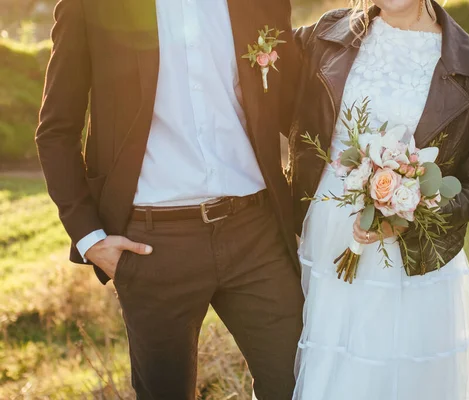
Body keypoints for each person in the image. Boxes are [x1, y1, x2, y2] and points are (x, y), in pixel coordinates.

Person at [35, 0, 303, 398]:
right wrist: (90, 239)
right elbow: (56, 130)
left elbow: (294, 107)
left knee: (300, 383)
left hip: (256, 233)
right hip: (153, 246)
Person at [288, 0, 469, 398]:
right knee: (332, 372)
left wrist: (413, 210)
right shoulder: (326, 35)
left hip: (414, 254)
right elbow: (258, 75)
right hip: (327, 236)